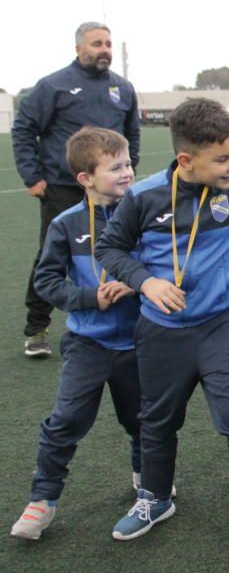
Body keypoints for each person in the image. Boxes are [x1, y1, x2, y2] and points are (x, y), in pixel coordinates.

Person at [94, 98, 229, 560]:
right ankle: (155, 498)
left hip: (222, 326)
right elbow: (111, 249)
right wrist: (146, 280)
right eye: (223, 159)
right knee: (155, 419)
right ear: (187, 159)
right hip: (161, 331)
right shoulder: (145, 196)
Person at [10, 127, 141, 540]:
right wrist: (89, 298)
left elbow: (172, 266)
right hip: (89, 343)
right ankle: (42, 501)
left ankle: (147, 483)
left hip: (141, 343)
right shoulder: (66, 224)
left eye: (128, 163)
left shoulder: (146, 215)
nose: (127, 172)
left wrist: (138, 284)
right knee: (65, 421)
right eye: (116, 166)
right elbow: (46, 281)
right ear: (85, 178)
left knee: (144, 422)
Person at [11, 22, 141, 357]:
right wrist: (32, 176)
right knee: (50, 256)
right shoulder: (54, 86)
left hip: (112, 191)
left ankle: (130, 319)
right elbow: (24, 127)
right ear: (78, 48)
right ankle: (36, 327)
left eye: (109, 43)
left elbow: (132, 134)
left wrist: (129, 170)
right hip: (64, 189)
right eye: (97, 43)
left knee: (125, 249)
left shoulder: (122, 88)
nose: (105, 50)